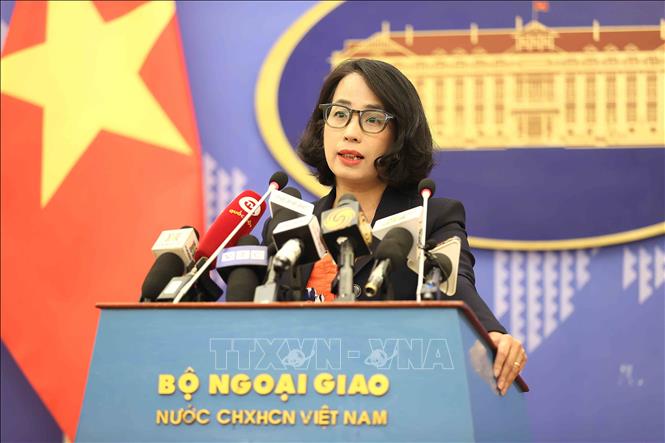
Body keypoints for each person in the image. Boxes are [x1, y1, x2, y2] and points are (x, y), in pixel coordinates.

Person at [276, 58, 526, 395]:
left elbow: (455, 283)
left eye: (372, 119)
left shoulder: (432, 218)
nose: (351, 132)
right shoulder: (291, 229)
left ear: (399, 135)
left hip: (393, 399)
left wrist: (490, 333)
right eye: (339, 114)